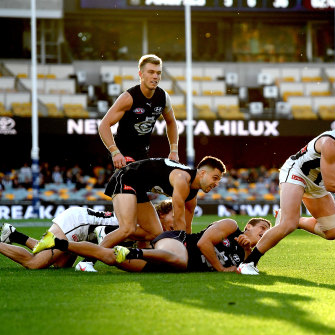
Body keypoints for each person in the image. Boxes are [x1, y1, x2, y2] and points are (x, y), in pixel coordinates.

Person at [242, 105, 335, 270]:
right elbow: (332, 183)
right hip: (296, 173)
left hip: (317, 181)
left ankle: (297, 220)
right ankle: (248, 263)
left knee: (331, 232)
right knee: (287, 224)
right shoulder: (331, 143)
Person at [33, 218, 271, 274]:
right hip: (179, 244)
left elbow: (246, 268)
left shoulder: (246, 254)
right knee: (179, 259)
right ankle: (133, 249)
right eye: (261, 231)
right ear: (248, 226)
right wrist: (220, 269)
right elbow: (203, 242)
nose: (262, 236)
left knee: (109, 257)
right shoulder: (230, 226)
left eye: (265, 236)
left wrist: (249, 250)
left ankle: (57, 242)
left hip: (168, 264)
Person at [86, 156, 225, 250]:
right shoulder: (182, 179)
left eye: (219, 180)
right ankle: (89, 260)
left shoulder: (192, 194)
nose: (217, 183)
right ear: (202, 173)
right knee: (127, 228)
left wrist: (188, 249)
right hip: (125, 178)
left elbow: (187, 229)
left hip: (138, 187)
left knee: (155, 233)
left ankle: (112, 237)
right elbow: (179, 221)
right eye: (215, 178)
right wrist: (182, 250)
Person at [98, 54, 179, 169]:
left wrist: (174, 150)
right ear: (141, 74)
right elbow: (103, 125)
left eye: (158, 73)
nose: (155, 76)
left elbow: (171, 122)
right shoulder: (128, 98)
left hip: (143, 153)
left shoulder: (163, 97)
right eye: (151, 72)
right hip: (123, 154)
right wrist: (115, 152)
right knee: (131, 183)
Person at [0, 206, 119, 270]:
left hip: (82, 223)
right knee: (34, 263)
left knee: (60, 265)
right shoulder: (132, 228)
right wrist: (88, 261)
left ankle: (14, 235)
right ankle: (11, 237)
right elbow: (104, 236)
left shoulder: (132, 223)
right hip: (77, 222)